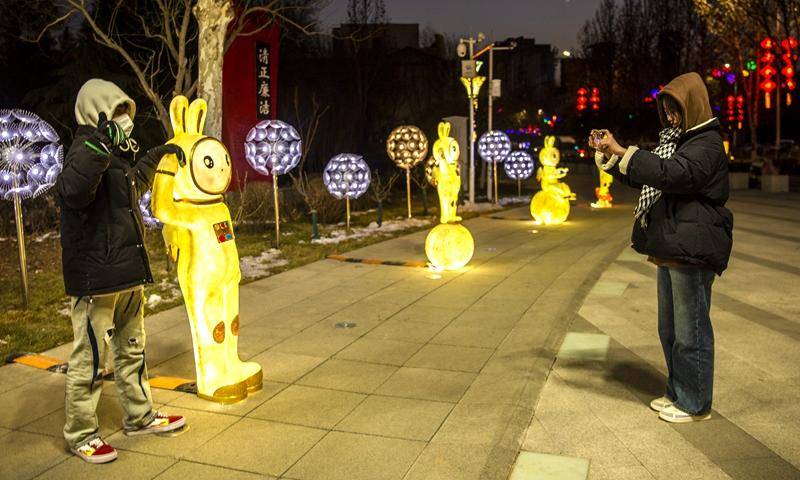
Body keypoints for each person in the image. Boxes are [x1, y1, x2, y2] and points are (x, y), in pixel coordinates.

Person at [57, 78, 187, 463]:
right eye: (116, 112)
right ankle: (80, 433)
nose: (124, 120)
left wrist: (156, 157)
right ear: (95, 113)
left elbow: (129, 187)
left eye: (126, 112)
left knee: (132, 350)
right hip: (97, 277)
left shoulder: (113, 155)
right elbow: (74, 190)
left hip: (126, 272)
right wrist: (99, 143)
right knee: (92, 358)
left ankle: (140, 415)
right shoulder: (85, 149)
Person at [592, 72, 733, 423]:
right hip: (672, 245)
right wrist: (612, 156)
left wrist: (627, 151)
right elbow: (654, 174)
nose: (670, 118)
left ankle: (695, 402)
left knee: (691, 331)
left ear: (693, 107)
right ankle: (678, 391)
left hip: (692, 247)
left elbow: (675, 175)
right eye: (666, 111)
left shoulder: (706, 143)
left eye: (676, 110)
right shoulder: (678, 141)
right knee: (669, 329)